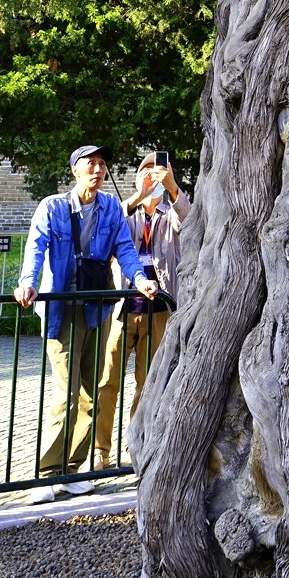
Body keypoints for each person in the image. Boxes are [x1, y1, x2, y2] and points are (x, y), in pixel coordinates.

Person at [15, 143, 158, 502]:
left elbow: (125, 249)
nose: (97, 169)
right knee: (66, 393)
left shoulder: (110, 207)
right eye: (89, 163)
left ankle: (72, 470)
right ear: (75, 170)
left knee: (91, 392)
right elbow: (36, 247)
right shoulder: (53, 207)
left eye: (101, 163)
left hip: (97, 308)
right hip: (62, 309)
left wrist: (140, 280)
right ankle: (47, 474)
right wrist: (28, 282)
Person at [93, 153, 187, 472]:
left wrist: (172, 189)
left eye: (157, 172)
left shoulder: (170, 213)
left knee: (148, 381)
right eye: (146, 172)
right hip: (122, 309)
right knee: (107, 380)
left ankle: (138, 442)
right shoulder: (125, 213)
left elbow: (190, 222)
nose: (152, 178)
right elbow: (107, 226)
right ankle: (101, 450)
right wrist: (139, 196)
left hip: (159, 310)